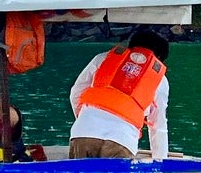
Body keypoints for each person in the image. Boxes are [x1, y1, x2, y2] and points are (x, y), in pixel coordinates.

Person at [68, 29, 169, 161]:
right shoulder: (160, 80)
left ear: (131, 46)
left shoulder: (102, 58)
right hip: (122, 140)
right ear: (158, 58)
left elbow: (76, 93)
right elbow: (158, 126)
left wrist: (85, 121)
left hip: (84, 132)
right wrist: (160, 161)